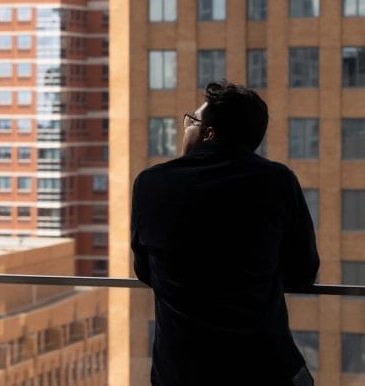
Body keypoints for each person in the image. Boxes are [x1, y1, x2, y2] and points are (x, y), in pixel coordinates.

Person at [131, 80, 320, 385]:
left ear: (208, 132)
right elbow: (302, 273)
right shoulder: (277, 182)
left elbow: (144, 270)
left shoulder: (150, 184)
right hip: (263, 369)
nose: (185, 128)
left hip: (181, 372)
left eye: (190, 121)